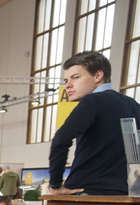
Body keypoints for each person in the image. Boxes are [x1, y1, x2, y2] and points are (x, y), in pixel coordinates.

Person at [48, 51, 140, 196]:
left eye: (75, 77)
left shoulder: (92, 101)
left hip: (86, 191)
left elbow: (61, 139)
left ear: (98, 75)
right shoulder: (134, 105)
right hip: (123, 194)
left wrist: (55, 184)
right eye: (66, 81)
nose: (68, 85)